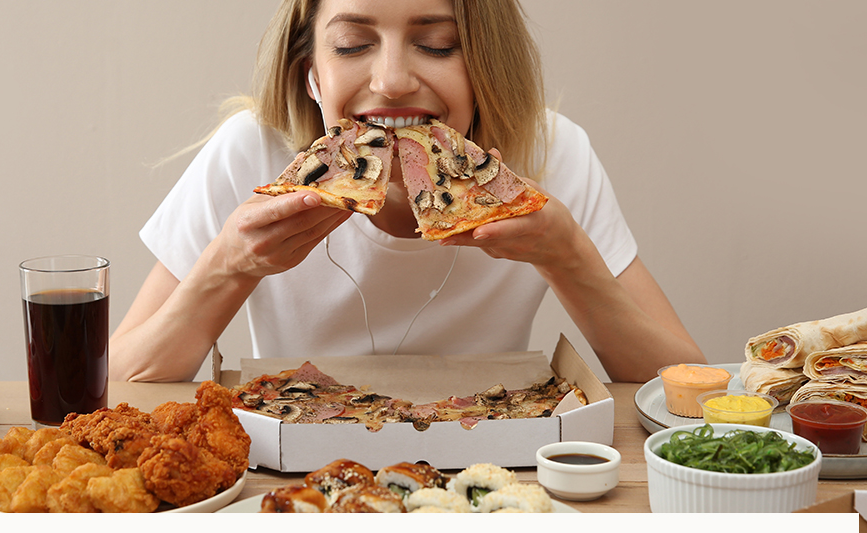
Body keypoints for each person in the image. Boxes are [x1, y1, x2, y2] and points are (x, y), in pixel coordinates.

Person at [111, 0, 705, 383]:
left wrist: (568, 257)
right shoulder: (252, 153)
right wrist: (229, 266)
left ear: (489, 65)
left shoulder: (552, 155)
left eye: (438, 44)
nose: (392, 81)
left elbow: (687, 387)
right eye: (352, 45)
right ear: (311, 72)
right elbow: (117, 381)